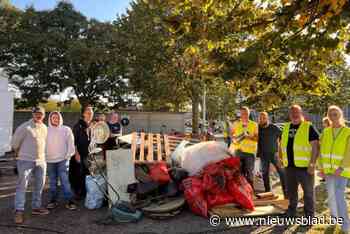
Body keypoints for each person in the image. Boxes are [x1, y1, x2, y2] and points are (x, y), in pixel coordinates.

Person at [279, 105, 319, 218]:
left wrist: (312, 164)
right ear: (289, 115)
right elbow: (281, 144)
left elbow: (316, 146)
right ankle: (291, 212)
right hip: (289, 167)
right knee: (291, 192)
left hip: (305, 168)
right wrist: (281, 158)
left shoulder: (308, 127)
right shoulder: (286, 127)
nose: (294, 115)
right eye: (292, 113)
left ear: (301, 113)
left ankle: (309, 216)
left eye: (297, 112)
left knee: (308, 193)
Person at [11, 106, 49, 224]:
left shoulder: (44, 128)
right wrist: (18, 154)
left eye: (41, 114)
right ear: (32, 114)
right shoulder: (24, 127)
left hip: (41, 161)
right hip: (25, 160)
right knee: (22, 186)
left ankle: (36, 207)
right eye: (36, 113)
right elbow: (14, 143)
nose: (38, 115)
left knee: (40, 185)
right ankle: (19, 211)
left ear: (44, 115)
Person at [319, 105, 350, 232]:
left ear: (340, 115)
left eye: (335, 114)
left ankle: (346, 226)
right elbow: (321, 151)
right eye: (330, 114)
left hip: (342, 170)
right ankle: (334, 219)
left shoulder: (348, 131)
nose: (333, 116)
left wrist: (341, 167)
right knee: (331, 196)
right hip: (328, 170)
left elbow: (349, 152)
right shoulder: (326, 132)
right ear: (328, 117)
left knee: (338, 196)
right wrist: (321, 168)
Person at [46, 111, 77, 210]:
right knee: (52, 182)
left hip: (63, 160)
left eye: (57, 117)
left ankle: (70, 201)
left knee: (65, 181)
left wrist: (68, 156)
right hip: (49, 160)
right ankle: (53, 200)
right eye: (53, 117)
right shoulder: (46, 130)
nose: (56, 119)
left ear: (60, 118)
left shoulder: (66, 129)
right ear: (50, 119)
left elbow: (71, 144)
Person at [257, 112, 287, 198]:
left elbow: (283, 137)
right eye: (260, 118)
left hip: (274, 154)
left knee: (282, 172)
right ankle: (268, 192)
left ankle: (286, 192)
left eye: (264, 118)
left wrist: (281, 149)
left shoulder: (274, 128)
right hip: (263, 155)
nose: (262, 120)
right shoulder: (257, 128)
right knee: (265, 174)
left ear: (267, 118)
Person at [69, 105, 94, 199]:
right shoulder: (78, 125)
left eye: (91, 112)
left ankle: (84, 192)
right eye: (88, 112)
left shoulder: (90, 125)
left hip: (87, 154)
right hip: (79, 154)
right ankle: (77, 193)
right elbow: (73, 141)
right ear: (83, 114)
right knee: (78, 174)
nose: (90, 114)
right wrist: (76, 154)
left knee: (86, 173)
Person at [231, 106, 258, 189]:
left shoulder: (254, 125)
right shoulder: (235, 124)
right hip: (238, 151)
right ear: (240, 114)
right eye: (243, 113)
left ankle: (250, 192)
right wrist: (235, 139)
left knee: (250, 173)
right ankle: (241, 192)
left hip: (250, 152)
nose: (244, 115)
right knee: (239, 173)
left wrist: (248, 137)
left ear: (249, 114)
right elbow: (232, 136)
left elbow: (257, 138)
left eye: (246, 113)